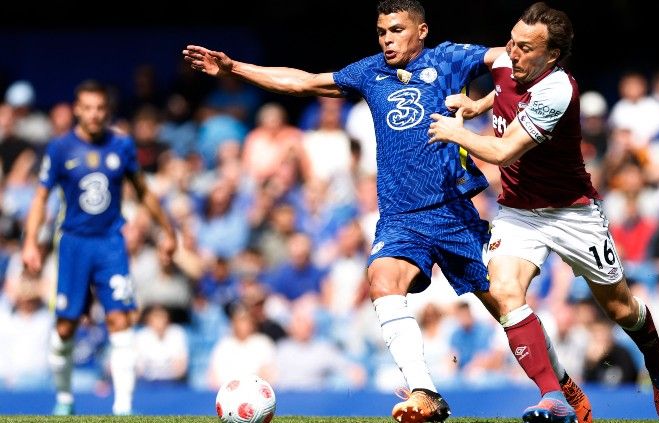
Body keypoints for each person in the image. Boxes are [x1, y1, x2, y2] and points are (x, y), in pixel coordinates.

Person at [183, 1, 587, 422]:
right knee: (381, 279)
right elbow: (303, 82)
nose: (387, 39)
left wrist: (485, 102)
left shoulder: (447, 58)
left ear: (422, 30)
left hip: (454, 213)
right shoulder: (369, 72)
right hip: (399, 218)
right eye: (381, 32)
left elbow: (508, 55)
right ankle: (424, 392)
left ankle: (559, 388)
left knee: (507, 305)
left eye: (396, 30)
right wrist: (235, 68)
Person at [427, 3, 659, 423]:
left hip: (572, 213)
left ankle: (656, 362)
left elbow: (504, 151)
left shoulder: (559, 90)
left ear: (553, 56)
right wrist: (480, 104)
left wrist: (458, 130)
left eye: (526, 48)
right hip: (517, 212)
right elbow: (505, 87)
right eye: (512, 40)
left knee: (619, 309)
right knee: (506, 293)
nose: (513, 52)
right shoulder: (510, 59)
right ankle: (556, 393)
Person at [22, 79, 177, 416]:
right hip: (73, 243)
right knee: (66, 326)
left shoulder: (121, 146)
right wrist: (31, 242)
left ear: (107, 111)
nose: (94, 115)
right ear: (78, 110)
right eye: (87, 108)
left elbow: (144, 190)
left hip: (110, 243)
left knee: (120, 318)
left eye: (100, 109)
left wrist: (168, 230)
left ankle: (123, 407)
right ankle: (64, 399)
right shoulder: (60, 148)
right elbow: (40, 197)